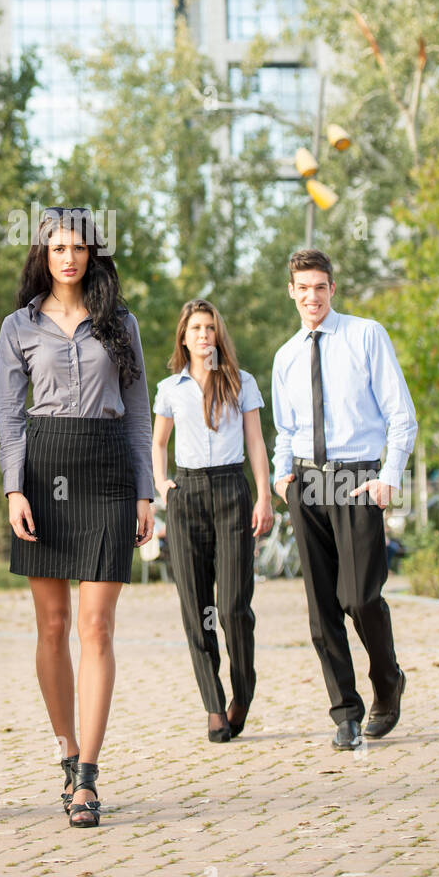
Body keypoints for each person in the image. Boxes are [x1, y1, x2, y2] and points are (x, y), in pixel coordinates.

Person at [0, 207, 154, 828]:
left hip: (109, 470)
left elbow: (138, 411)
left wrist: (145, 491)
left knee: (98, 626)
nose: (68, 257)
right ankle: (65, 751)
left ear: (92, 254)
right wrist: (14, 490)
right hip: (44, 469)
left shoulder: (122, 323)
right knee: (53, 622)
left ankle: (88, 774)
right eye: (57, 247)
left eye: (78, 247)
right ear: (43, 253)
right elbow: (10, 417)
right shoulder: (19, 326)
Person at [271, 248, 417, 751]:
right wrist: (279, 475)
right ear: (291, 291)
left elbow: (402, 415)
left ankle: (388, 682)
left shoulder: (365, 335)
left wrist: (388, 475)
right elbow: (285, 429)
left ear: (332, 289)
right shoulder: (286, 356)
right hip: (306, 483)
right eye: (303, 287)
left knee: (359, 596)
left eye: (320, 287)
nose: (311, 296)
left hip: (357, 479)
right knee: (321, 607)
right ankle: (345, 712)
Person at [153, 300, 273, 742]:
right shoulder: (170, 388)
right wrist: (162, 484)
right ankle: (213, 704)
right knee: (197, 609)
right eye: (196, 328)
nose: (204, 335)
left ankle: (243, 692)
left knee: (232, 608)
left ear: (218, 335)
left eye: (210, 328)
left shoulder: (241, 383)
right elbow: (158, 442)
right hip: (186, 498)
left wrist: (263, 496)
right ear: (183, 337)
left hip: (231, 493)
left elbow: (256, 443)